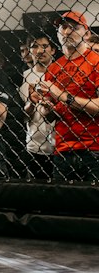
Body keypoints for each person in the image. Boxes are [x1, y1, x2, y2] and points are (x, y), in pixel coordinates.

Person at [35, 10, 99, 183]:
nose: (66, 32)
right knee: (64, 205)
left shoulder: (96, 62)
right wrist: (45, 108)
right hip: (63, 149)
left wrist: (63, 96)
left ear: (86, 33)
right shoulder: (53, 69)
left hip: (94, 148)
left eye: (73, 27)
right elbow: (50, 117)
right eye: (63, 27)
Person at [20, 35, 57, 160]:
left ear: (53, 50)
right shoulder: (23, 78)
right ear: (30, 51)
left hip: (61, 144)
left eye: (44, 46)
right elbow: (21, 116)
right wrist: (30, 103)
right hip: (34, 144)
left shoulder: (63, 75)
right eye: (35, 46)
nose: (40, 51)